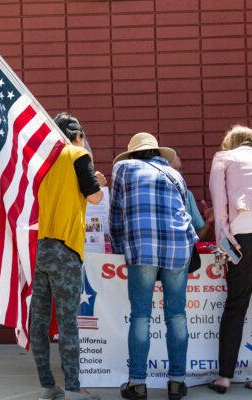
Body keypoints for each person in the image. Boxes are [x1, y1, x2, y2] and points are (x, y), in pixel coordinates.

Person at [110, 132, 197, 400]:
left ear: (133, 152)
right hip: (178, 247)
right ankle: (177, 383)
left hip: (142, 248)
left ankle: (137, 384)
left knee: (140, 316)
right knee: (176, 315)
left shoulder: (122, 168)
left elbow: (116, 213)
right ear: (157, 152)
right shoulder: (175, 174)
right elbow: (185, 211)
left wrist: (118, 247)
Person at [31, 113, 105, 400]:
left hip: (43, 246)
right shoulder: (77, 154)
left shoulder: (43, 160)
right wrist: (97, 179)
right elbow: (95, 196)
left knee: (38, 320)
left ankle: (47, 387)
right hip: (67, 247)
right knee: (67, 322)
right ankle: (73, 388)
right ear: (77, 134)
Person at [207, 125, 252, 393]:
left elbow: (220, 205)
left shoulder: (224, 159)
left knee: (236, 305)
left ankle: (224, 377)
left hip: (241, 237)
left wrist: (224, 245)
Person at [170, 152, 214, 241]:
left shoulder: (187, 195)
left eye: (180, 169)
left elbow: (199, 239)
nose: (179, 174)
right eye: (174, 170)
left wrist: (208, 223)